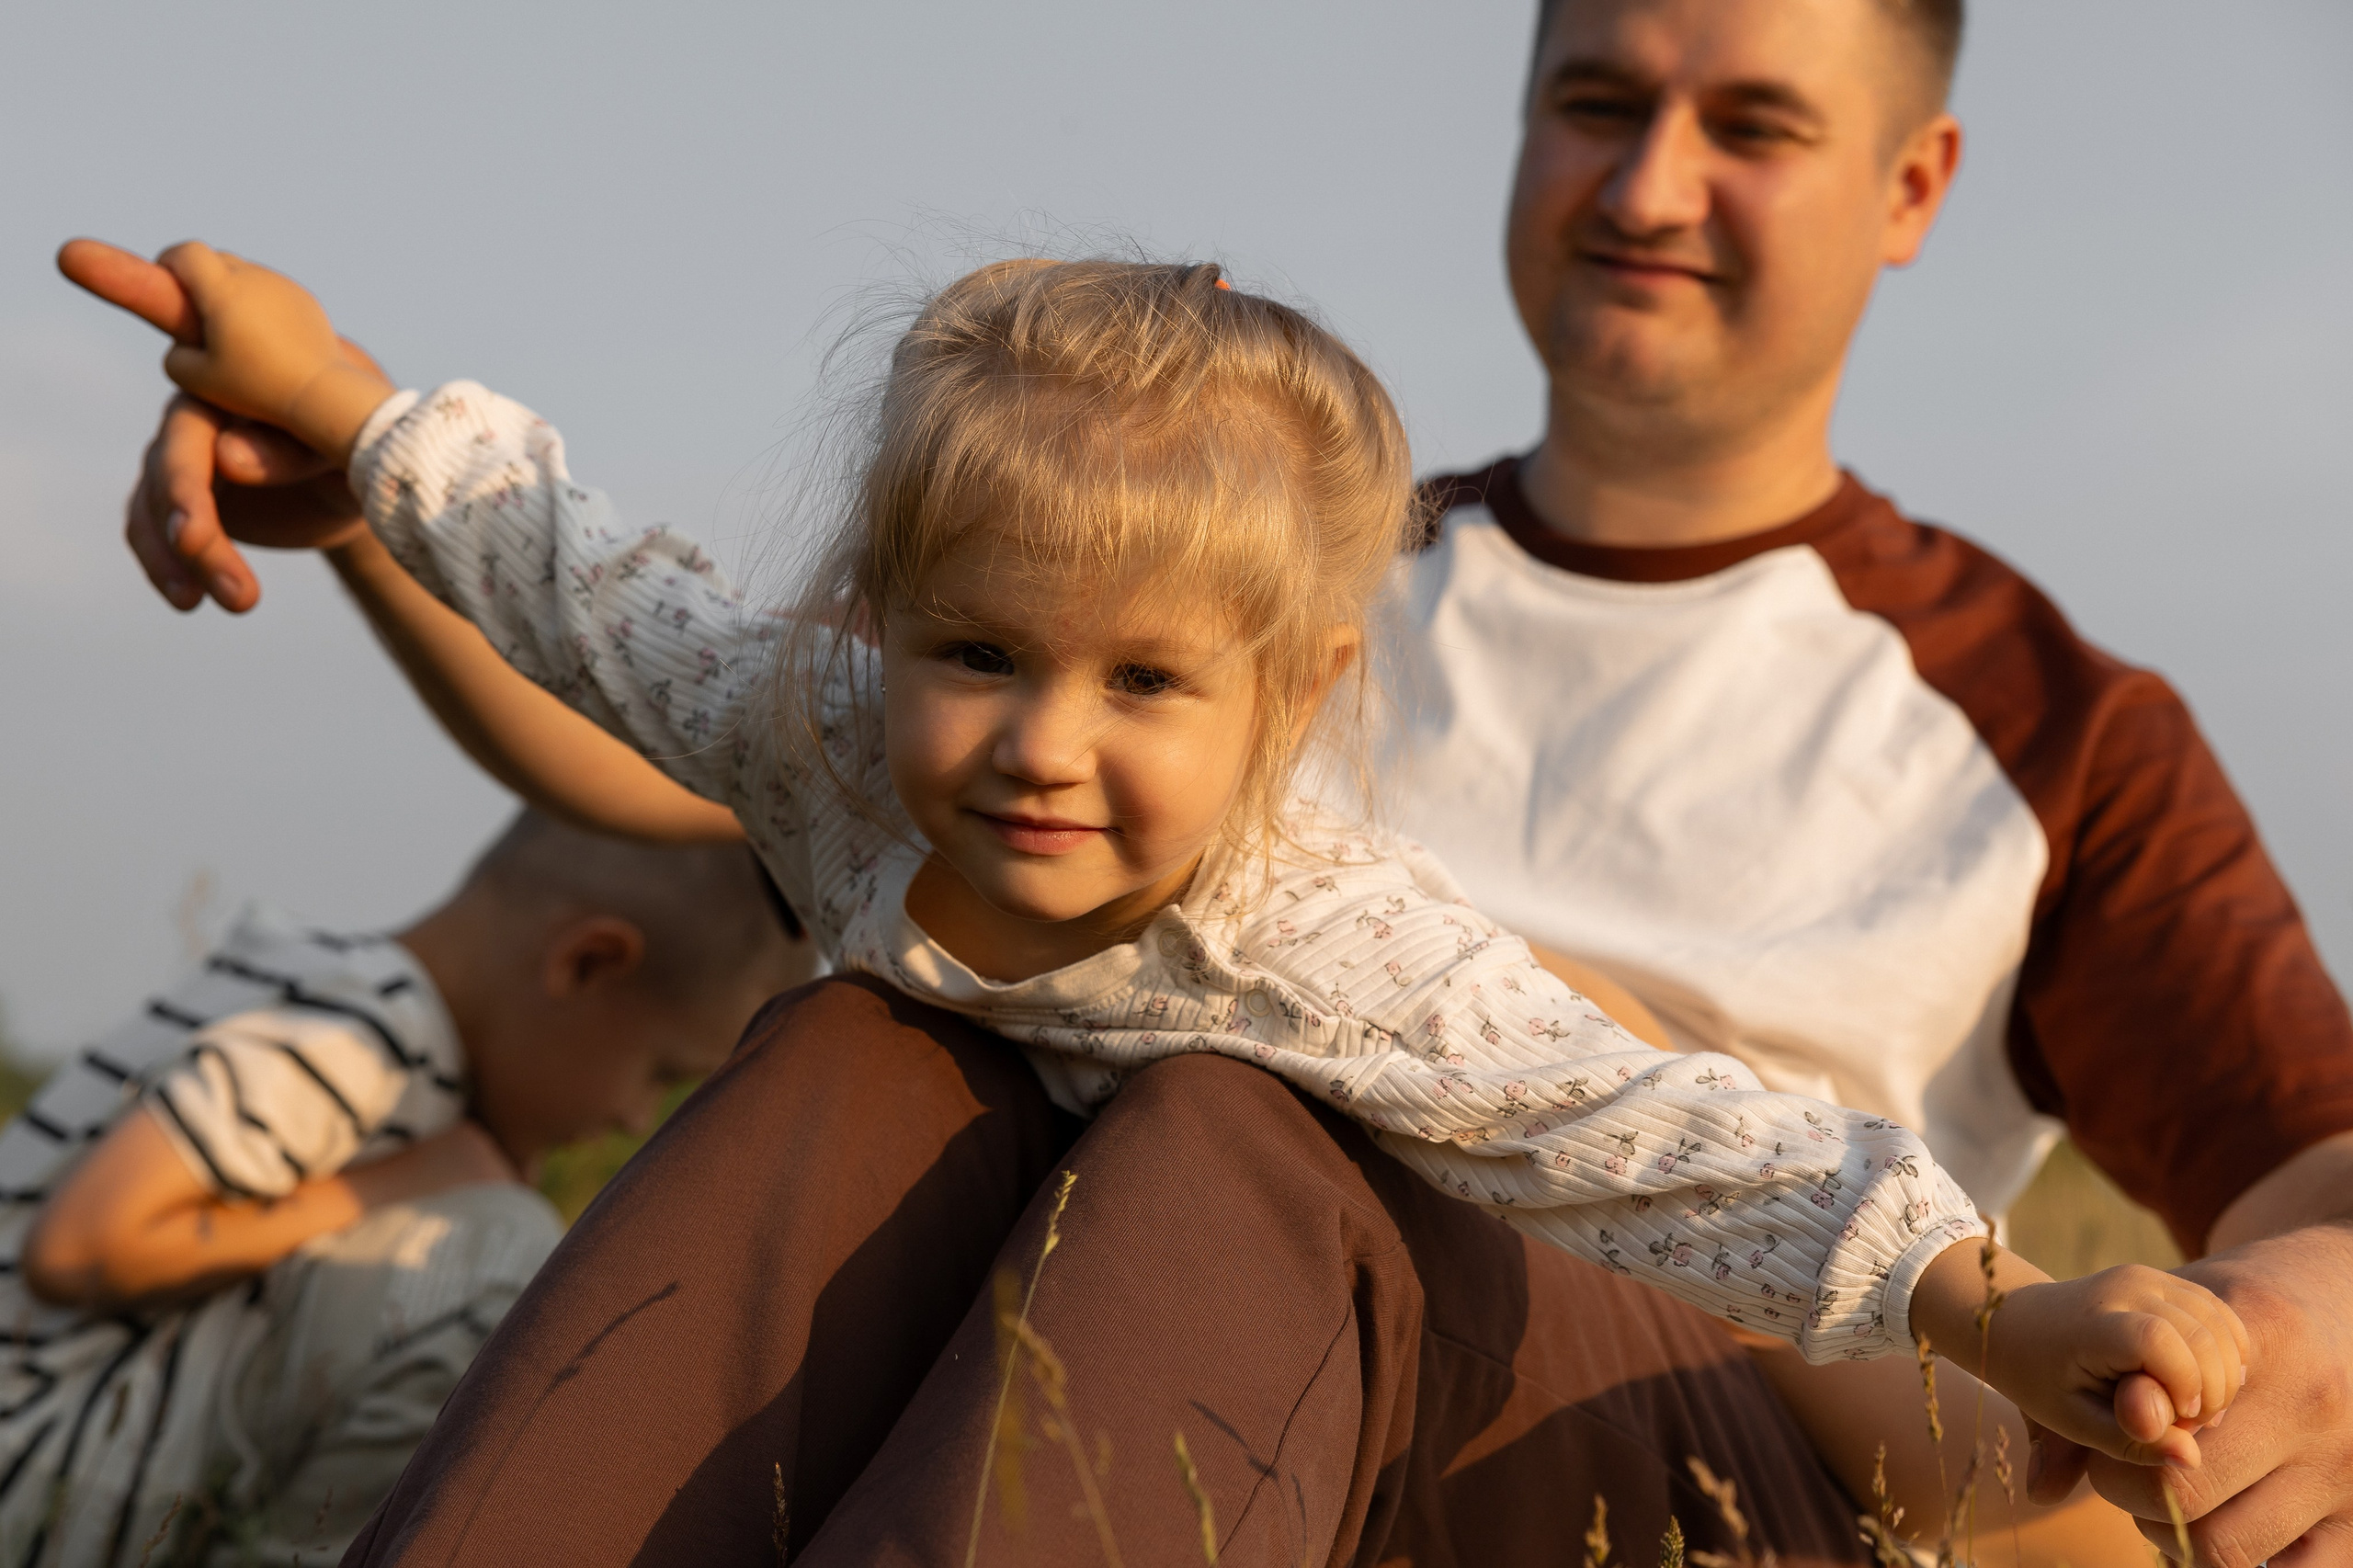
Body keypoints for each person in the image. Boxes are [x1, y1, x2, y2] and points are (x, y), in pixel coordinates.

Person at [63, 2, 2353, 1562]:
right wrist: (365, 483)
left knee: (1252, 1111)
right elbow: (732, 728)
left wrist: (2232, 1330)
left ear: (1908, 181)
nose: (1648, 181)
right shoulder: (1194, 566)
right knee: (887, 1029)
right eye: (1593, 99)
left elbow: (2307, 1159)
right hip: (1128, 1344)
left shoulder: (2040, 716)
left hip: (1678, 1401)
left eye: (1746, 121)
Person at [0, 809, 804, 1566]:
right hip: (34, 1458)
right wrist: (395, 1187)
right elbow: (80, 1247)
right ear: (586, 963)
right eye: (659, 1073)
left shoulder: (357, 998)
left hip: (54, 1444)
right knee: (495, 1256)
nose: (635, 1116)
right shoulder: (367, 1034)